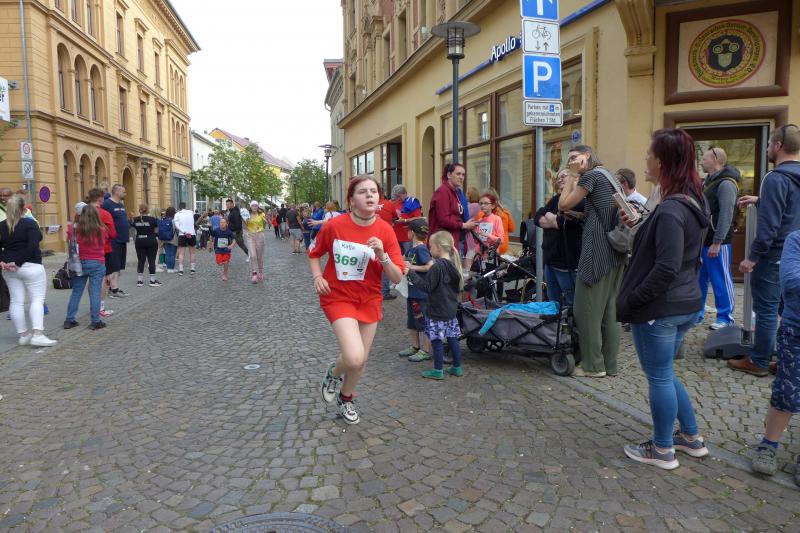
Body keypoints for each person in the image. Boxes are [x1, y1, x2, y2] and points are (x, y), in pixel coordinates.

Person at [616, 128, 711, 470]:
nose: (646, 158)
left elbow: (667, 266)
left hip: (662, 306)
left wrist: (635, 300)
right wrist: (641, 224)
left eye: (650, 154)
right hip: (685, 301)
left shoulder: (672, 209)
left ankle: (661, 449)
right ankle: (691, 437)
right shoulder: (694, 200)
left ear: (663, 161)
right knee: (665, 373)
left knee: (658, 376)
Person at [310, 175, 404, 425]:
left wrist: (382, 254)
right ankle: (333, 372)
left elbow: (397, 276)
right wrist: (317, 276)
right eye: (363, 192)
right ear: (351, 201)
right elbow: (314, 252)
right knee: (353, 356)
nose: (370, 195)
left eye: (374, 191)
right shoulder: (334, 226)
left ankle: (346, 398)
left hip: (369, 298)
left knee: (361, 360)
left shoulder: (385, 230)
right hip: (338, 297)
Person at [730, 124, 800, 377]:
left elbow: (770, 226)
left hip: (774, 256)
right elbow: (792, 207)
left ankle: (759, 361)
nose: (768, 148)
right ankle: (787, 360)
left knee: (767, 310)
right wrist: (761, 200)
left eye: (770, 144)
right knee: (791, 310)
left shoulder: (775, 178)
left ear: (778, 146)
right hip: (796, 253)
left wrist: (752, 257)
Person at [559, 145, 627, 378]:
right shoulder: (609, 176)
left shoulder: (590, 176)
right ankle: (610, 365)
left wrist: (571, 176)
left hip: (596, 251)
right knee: (610, 312)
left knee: (585, 310)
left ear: (587, 156)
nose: (571, 162)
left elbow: (563, 204)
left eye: (574, 158)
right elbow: (603, 212)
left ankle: (592, 366)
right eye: (569, 160)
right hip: (615, 251)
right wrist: (580, 215)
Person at [749, 230, 800, 485]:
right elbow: (791, 283)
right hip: (796, 330)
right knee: (786, 392)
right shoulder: (796, 239)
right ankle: (768, 445)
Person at [407, 230, 465, 380]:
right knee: (452, 338)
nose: (429, 249)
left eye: (431, 246)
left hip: (436, 311)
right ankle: (457, 367)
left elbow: (426, 287)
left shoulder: (437, 267)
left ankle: (438, 370)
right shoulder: (453, 265)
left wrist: (410, 273)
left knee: (437, 340)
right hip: (450, 310)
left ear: (439, 247)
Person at [0, 195, 56, 347]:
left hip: (9, 268)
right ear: (23, 208)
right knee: (37, 299)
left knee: (16, 301)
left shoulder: (2, 225)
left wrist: (2, 261)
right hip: (30, 266)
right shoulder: (30, 224)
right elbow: (33, 245)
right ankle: (37, 334)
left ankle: (23, 335)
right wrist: (18, 262)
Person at [694, 148, 740, 330]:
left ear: (716, 160)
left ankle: (725, 317)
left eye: (704, 159)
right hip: (704, 240)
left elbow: (726, 215)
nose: (701, 162)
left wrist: (717, 242)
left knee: (721, 280)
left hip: (717, 242)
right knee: (699, 279)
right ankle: (696, 314)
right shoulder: (708, 182)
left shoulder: (726, 183)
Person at [534, 169, 585, 307]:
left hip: (567, 265)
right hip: (550, 263)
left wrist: (550, 218)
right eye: (558, 178)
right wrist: (552, 219)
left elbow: (562, 223)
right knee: (552, 304)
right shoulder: (555, 199)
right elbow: (538, 216)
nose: (560, 179)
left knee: (571, 304)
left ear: (575, 179)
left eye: (564, 176)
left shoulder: (580, 201)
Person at [64, 203, 108, 330]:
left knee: (76, 291)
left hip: (79, 263)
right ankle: (95, 321)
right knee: (95, 291)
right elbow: (105, 241)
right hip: (97, 263)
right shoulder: (102, 229)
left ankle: (69, 320)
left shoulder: (73, 229)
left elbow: (69, 238)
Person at [399, 218, 434, 362]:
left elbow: (430, 266)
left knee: (424, 321)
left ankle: (425, 350)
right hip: (412, 292)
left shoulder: (421, 249)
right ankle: (415, 346)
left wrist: (412, 267)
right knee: (412, 320)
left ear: (412, 233)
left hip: (421, 293)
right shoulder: (411, 248)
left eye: (408, 231)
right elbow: (402, 260)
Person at [428, 163, 477, 255]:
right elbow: (443, 220)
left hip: (454, 241)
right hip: (443, 244)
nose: (461, 177)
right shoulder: (443, 192)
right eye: (458, 174)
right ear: (449, 175)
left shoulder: (456, 192)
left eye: (463, 175)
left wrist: (466, 223)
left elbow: (456, 216)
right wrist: (464, 225)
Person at [88, 188, 117, 317]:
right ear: (100, 199)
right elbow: (113, 234)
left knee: (91, 280)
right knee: (103, 279)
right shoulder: (105, 214)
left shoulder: (82, 213)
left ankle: (93, 306)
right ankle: (100, 307)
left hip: (86, 251)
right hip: (104, 250)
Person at [102, 184, 129, 297]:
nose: (125, 194)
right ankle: (113, 290)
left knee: (119, 267)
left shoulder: (121, 205)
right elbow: (101, 221)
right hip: (113, 240)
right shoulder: (107, 204)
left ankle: (114, 288)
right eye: (123, 191)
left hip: (123, 240)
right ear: (117, 192)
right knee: (113, 266)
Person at [478, 187, 515, 255]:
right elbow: (512, 229)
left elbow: (480, 234)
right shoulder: (505, 212)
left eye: (486, 203)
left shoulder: (482, 214)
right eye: (481, 203)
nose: (483, 205)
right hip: (503, 245)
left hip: (488, 247)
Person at [132, 204, 161, 287]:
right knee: (151, 261)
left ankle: (139, 281)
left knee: (141, 260)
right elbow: (156, 231)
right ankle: (152, 281)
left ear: (139, 210)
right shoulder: (152, 219)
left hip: (139, 241)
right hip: (151, 240)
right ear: (147, 210)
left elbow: (133, 231)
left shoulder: (135, 219)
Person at [246, 200, 268, 283]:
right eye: (253, 206)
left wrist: (265, 221)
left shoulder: (261, 214)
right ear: (250, 207)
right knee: (253, 256)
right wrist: (244, 220)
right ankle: (254, 274)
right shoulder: (247, 215)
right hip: (250, 236)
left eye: (256, 206)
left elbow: (265, 224)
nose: (254, 207)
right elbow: (244, 226)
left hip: (260, 236)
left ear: (257, 207)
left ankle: (261, 272)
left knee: (259, 256)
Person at [174, 201, 196, 275]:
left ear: (179, 207)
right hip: (192, 233)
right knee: (192, 252)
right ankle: (192, 269)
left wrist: (184, 232)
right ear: (185, 206)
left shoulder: (177, 214)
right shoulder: (191, 212)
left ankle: (181, 270)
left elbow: (177, 226)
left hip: (182, 234)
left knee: (181, 253)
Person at [158, 207, 178, 273]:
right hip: (173, 239)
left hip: (164, 239)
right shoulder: (174, 221)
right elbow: (177, 229)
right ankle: (171, 269)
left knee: (167, 254)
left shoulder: (163, 220)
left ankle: (168, 268)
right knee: (172, 255)